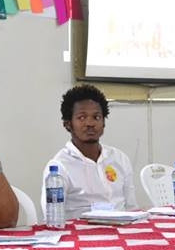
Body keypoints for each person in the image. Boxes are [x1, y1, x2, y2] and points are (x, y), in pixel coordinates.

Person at [42, 84, 137, 219]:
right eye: (82, 117)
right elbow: (51, 218)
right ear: (68, 124)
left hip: (123, 232)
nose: (90, 123)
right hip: (81, 235)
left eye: (96, 117)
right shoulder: (59, 167)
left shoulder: (119, 158)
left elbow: (132, 208)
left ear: (104, 123)